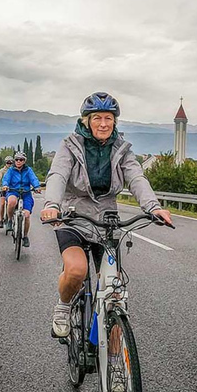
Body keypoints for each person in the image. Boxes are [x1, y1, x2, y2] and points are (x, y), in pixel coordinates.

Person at [40, 92, 172, 338]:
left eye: (109, 118)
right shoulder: (70, 145)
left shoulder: (121, 148)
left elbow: (136, 177)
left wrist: (153, 207)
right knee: (77, 270)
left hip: (106, 221)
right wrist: (52, 205)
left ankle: (116, 365)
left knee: (114, 289)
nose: (103, 123)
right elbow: (57, 174)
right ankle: (63, 306)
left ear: (115, 121)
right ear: (86, 120)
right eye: (97, 118)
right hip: (72, 216)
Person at [2, 151, 41, 247]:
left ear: (24, 161)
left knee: (27, 215)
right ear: (14, 161)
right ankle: (10, 220)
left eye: (21, 160)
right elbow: (6, 178)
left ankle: (25, 236)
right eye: (16, 159)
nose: (18, 161)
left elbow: (33, 178)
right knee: (11, 201)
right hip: (13, 191)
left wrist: (37, 186)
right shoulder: (10, 170)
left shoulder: (28, 170)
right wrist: (5, 185)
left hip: (26, 193)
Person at [0, 157, 13, 228]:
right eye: (8, 163)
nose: (9, 164)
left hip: (12, 189)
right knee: (2, 204)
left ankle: (10, 218)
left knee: (12, 204)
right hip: (4, 189)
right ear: (5, 163)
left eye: (10, 163)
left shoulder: (15, 170)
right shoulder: (2, 170)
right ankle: (1, 220)